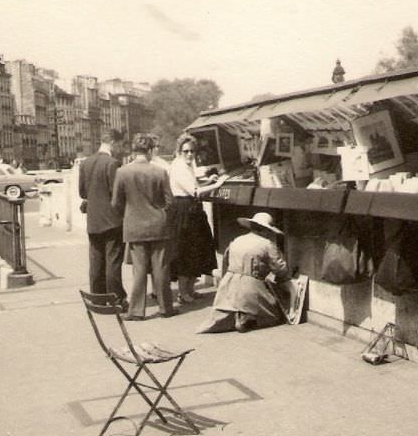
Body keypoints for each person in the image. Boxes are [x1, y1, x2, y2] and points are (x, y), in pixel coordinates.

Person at [112, 134, 176, 320]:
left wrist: (130, 214)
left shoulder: (122, 172)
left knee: (139, 271)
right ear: (149, 151)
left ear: (133, 151)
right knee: (161, 269)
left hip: (135, 227)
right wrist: (160, 213)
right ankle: (166, 309)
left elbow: (116, 203)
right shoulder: (160, 172)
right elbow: (170, 202)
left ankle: (137, 311)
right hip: (159, 226)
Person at [197, 212, 289, 334]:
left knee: (226, 308)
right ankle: (247, 319)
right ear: (266, 230)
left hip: (229, 283)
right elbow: (279, 268)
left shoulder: (236, 240)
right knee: (273, 316)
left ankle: (235, 317)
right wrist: (285, 275)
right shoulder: (267, 244)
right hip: (251, 284)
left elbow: (225, 262)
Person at [168, 133, 227, 303]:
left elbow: (195, 186)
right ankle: (183, 292)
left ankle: (190, 289)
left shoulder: (186, 166)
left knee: (196, 250)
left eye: (192, 151)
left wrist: (209, 181)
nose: (189, 154)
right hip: (184, 211)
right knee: (186, 252)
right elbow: (194, 192)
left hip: (192, 211)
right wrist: (217, 184)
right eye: (186, 151)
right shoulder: (179, 167)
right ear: (179, 151)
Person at [79, 129, 127, 305]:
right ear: (113, 143)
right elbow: (117, 194)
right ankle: (116, 298)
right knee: (113, 261)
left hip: (93, 220)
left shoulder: (85, 163)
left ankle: (98, 298)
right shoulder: (112, 163)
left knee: (96, 261)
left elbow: (82, 192)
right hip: (112, 221)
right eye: (120, 145)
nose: (121, 149)